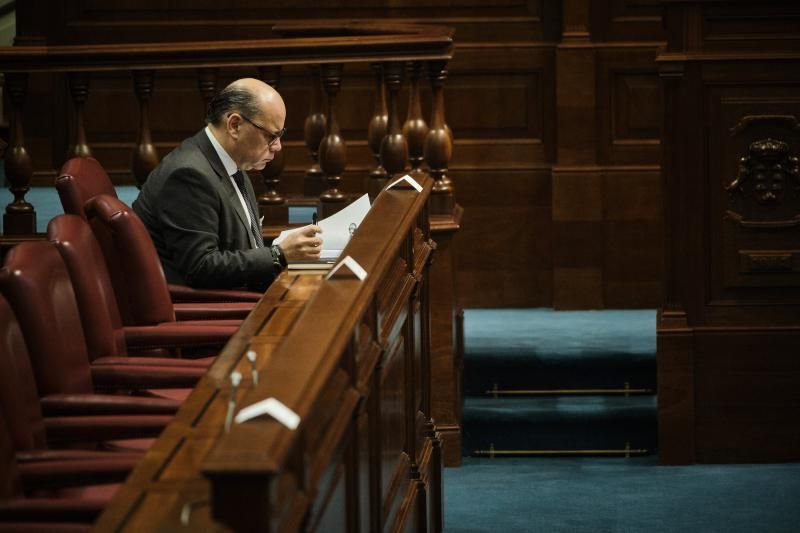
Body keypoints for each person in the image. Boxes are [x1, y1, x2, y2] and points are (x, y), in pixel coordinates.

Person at [134, 78, 322, 292]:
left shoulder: (232, 164)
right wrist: (277, 254)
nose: (277, 147)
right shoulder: (189, 175)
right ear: (234, 125)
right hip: (207, 312)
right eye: (271, 136)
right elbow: (200, 268)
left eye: (280, 135)